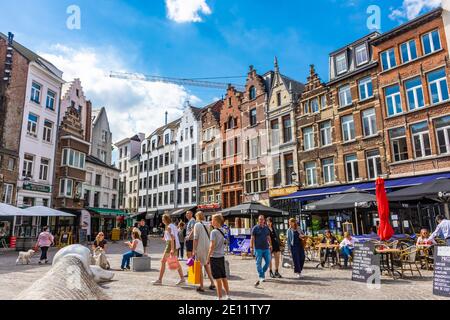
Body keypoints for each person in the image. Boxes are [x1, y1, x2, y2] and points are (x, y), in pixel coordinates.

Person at [153, 214, 185, 285]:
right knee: (176, 262)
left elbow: (172, 238)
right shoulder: (173, 225)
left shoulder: (169, 227)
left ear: (166, 220)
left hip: (170, 245)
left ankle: (159, 280)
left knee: (163, 261)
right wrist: (165, 238)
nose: (162, 221)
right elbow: (173, 236)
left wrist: (172, 249)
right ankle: (182, 278)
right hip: (175, 245)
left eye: (163, 219)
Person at [207, 214, 231, 300]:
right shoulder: (223, 230)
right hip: (221, 256)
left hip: (214, 257)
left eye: (212, 220)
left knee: (217, 279)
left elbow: (212, 245)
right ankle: (228, 295)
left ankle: (219, 297)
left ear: (216, 221)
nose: (211, 221)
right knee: (224, 277)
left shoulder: (213, 232)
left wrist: (208, 257)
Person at [193, 211, 216, 292]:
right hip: (207, 247)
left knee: (199, 266)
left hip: (200, 247)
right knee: (206, 265)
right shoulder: (208, 224)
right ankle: (212, 283)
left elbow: (195, 238)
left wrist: (194, 249)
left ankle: (201, 286)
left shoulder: (197, 225)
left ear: (197, 217)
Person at [250, 215, 272, 287]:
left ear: (264, 220)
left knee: (268, 261)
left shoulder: (266, 228)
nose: (261, 221)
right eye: (260, 219)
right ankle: (262, 276)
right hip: (258, 248)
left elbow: (268, 237)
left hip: (266, 248)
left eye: (262, 219)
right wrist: (251, 247)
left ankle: (261, 273)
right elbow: (252, 238)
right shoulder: (255, 228)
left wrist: (270, 245)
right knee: (258, 263)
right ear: (258, 220)